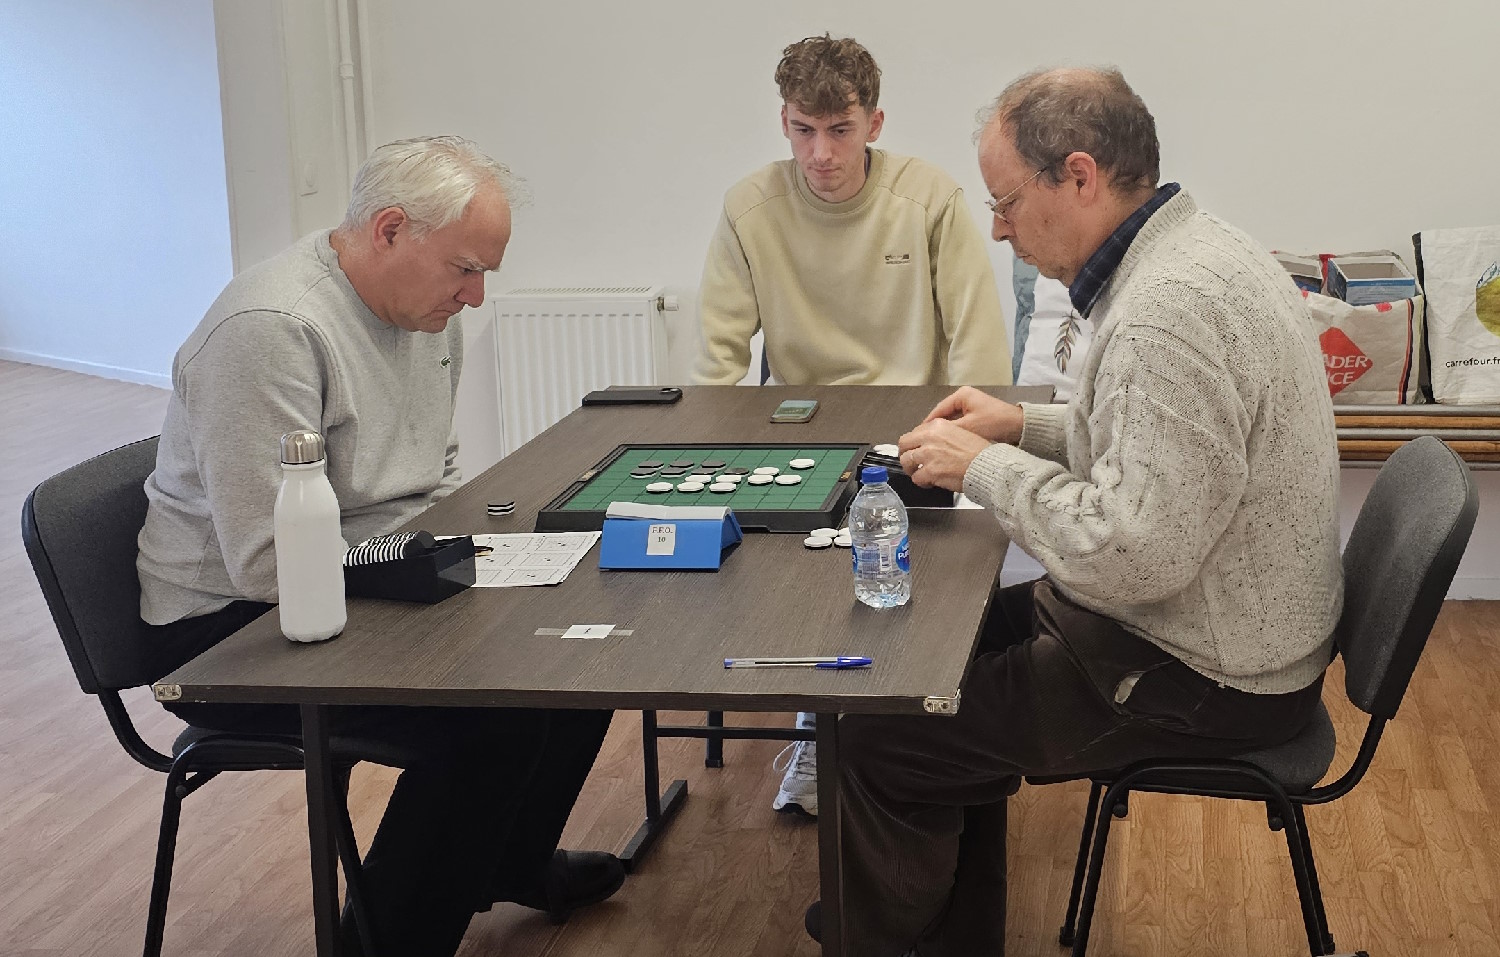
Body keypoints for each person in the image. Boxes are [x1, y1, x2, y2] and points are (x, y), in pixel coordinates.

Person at [811, 68, 1343, 956]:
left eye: (1008, 200)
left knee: (880, 740)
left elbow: (1129, 551)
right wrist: (1023, 423)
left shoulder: (1165, 313)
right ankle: (951, 931)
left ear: (1082, 176)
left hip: (1209, 675)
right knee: (936, 660)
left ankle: (884, 935)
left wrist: (985, 466)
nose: (998, 226)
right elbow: (1157, 443)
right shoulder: (1192, 248)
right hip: (1218, 625)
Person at [136, 136, 623, 956]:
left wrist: (478, 561)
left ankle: (507, 861)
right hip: (230, 631)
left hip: (367, 575)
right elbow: (266, 564)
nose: (473, 298)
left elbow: (434, 479)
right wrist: (430, 570)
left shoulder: (422, 310)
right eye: (463, 269)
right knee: (490, 723)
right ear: (390, 229)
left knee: (580, 653)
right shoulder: (272, 330)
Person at [692, 33, 1012, 819]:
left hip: (916, 431)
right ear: (783, 122)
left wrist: (972, 444)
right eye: (803, 130)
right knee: (798, 578)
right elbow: (716, 361)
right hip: (803, 432)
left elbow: (978, 348)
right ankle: (821, 729)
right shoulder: (749, 208)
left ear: (874, 122)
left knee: (912, 586)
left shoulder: (929, 198)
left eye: (839, 130)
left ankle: (895, 743)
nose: (821, 153)